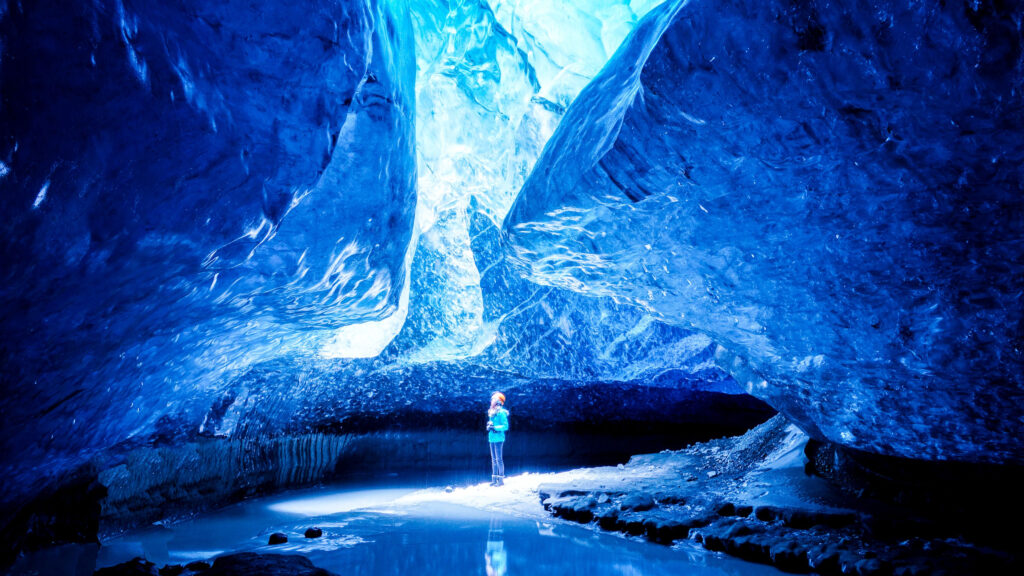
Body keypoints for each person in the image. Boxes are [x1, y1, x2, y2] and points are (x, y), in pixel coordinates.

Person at [487, 391, 509, 487]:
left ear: (498, 402)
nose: (491, 401)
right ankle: (494, 479)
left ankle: (501, 480)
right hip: (492, 438)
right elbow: (492, 424)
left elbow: (505, 426)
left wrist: (495, 428)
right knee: (493, 460)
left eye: (493, 400)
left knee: (499, 459)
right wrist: (489, 427)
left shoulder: (501, 413)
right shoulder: (491, 413)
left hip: (499, 438)